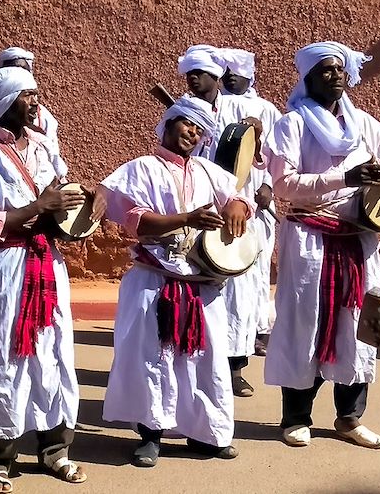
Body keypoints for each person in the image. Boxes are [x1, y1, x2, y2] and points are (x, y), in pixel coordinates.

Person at [264, 41, 380, 449]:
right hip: (310, 239)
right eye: (326, 70)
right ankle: (296, 417)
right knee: (305, 322)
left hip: (358, 240)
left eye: (340, 70)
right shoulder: (291, 124)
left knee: (358, 325)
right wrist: (346, 179)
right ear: (308, 77)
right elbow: (284, 185)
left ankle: (350, 418)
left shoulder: (360, 121)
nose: (335, 76)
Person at [0, 67, 87, 493]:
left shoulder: (43, 146)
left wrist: (83, 207)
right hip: (2, 270)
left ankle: (55, 451)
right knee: (1, 360)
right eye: (27, 96)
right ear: (3, 104)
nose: (35, 102)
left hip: (47, 263)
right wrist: (36, 208)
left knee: (53, 355)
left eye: (37, 94)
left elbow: (60, 202)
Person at [99, 97, 251, 467]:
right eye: (186, 124)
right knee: (153, 357)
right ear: (167, 124)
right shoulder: (141, 167)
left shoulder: (208, 170)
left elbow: (239, 197)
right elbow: (137, 221)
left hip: (201, 282)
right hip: (155, 279)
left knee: (205, 358)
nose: (193, 133)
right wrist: (187, 218)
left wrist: (236, 206)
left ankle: (206, 434)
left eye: (199, 129)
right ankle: (151, 435)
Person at [179, 45, 270, 397]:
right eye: (189, 75)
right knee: (198, 288)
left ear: (216, 77)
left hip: (235, 208)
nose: (193, 80)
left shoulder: (241, 108)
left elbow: (260, 158)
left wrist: (258, 143)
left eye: (198, 74)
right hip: (197, 209)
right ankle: (196, 364)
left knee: (237, 294)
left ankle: (234, 368)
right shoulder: (182, 111)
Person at [218, 47, 283, 356]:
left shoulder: (266, 109)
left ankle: (258, 327)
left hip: (259, 200)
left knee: (256, 267)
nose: (231, 77)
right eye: (226, 72)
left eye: (238, 72)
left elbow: (277, 153)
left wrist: (269, 184)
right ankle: (226, 333)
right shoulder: (214, 106)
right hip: (225, 199)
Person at [0, 46, 67, 180]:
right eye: (11, 70)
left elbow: (55, 164)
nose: (17, 75)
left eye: (23, 70)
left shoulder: (44, 118)